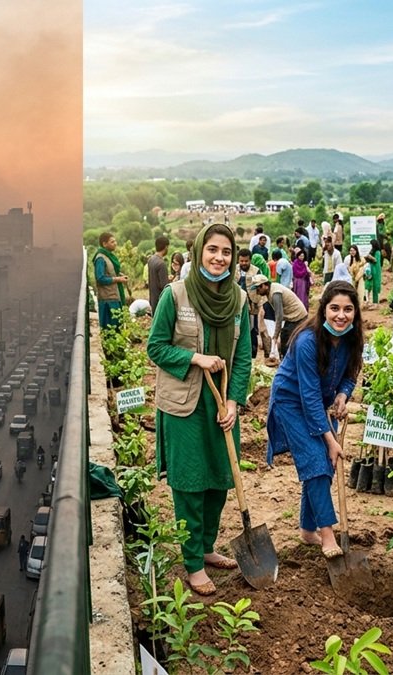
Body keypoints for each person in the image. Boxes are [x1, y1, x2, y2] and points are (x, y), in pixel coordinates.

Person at [146, 223, 251, 596]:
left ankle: (207, 547)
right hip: (184, 404)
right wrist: (195, 358)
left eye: (226, 252)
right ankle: (192, 564)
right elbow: (155, 348)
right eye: (213, 250)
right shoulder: (175, 296)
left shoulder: (238, 301)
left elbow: (242, 358)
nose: (219, 258)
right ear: (198, 252)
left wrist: (235, 402)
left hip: (222, 403)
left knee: (220, 481)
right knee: (190, 484)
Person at [266, 281, 362, 555]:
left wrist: (343, 395)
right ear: (323, 310)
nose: (341, 315)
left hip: (320, 403)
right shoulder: (308, 340)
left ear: (355, 312)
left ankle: (308, 530)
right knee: (317, 461)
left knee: (325, 466)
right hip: (291, 401)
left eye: (347, 309)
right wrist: (330, 440)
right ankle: (328, 535)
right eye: (334, 308)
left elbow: (350, 374)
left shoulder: (352, 338)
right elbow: (307, 397)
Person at [94, 232, 129, 331]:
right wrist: (118, 279)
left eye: (115, 241)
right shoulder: (100, 258)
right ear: (104, 244)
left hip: (114, 296)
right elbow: (100, 278)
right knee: (110, 328)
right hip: (107, 299)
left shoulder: (109, 256)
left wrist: (120, 275)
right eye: (112, 242)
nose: (115, 243)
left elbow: (110, 272)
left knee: (118, 325)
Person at [148, 235, 170, 314]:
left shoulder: (151, 260)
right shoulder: (161, 264)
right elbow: (164, 286)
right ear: (166, 247)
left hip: (153, 298)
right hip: (160, 301)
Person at [364, 240, 383, 306]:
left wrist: (369, 256)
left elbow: (375, 260)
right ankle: (367, 300)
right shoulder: (372, 250)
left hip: (375, 270)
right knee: (368, 285)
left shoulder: (377, 252)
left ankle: (375, 303)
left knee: (375, 285)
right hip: (371, 269)